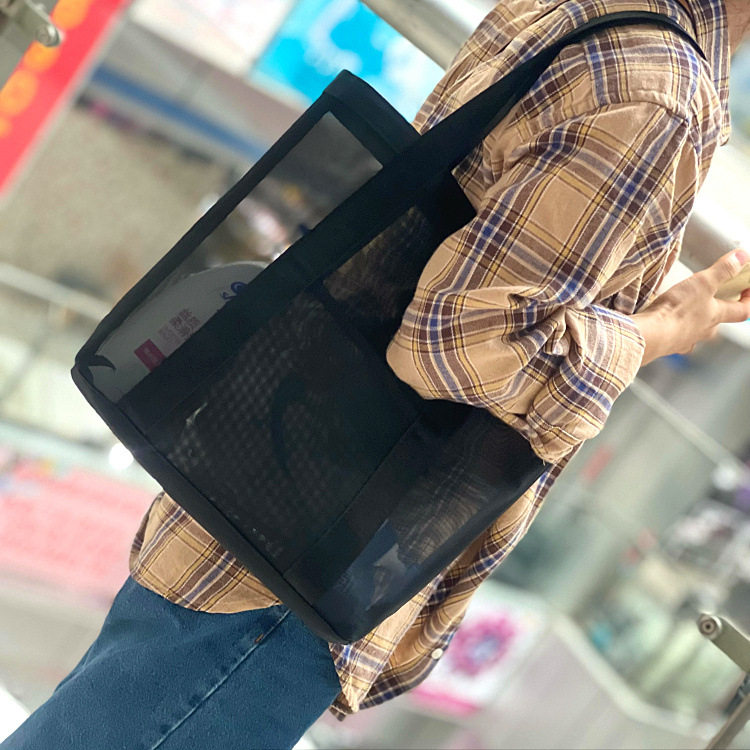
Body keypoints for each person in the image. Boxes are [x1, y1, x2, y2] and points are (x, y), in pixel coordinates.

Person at [4, 0, 750, 748]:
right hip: (312, 550)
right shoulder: (663, 94)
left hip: (261, 477)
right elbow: (455, 342)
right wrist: (656, 333)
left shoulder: (593, 14)